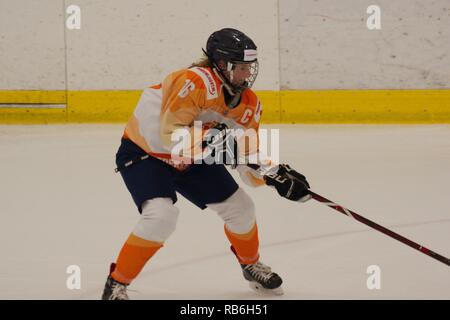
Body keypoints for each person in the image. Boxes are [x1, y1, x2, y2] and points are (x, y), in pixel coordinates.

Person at [101, 28, 311, 300]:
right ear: (222, 65)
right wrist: (222, 143)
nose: (248, 75)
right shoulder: (194, 82)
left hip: (194, 156)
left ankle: (250, 264)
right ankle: (116, 284)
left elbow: (248, 155)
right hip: (147, 154)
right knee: (161, 216)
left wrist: (275, 175)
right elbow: (170, 136)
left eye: (251, 68)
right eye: (242, 68)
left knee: (241, 208)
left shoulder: (248, 103)